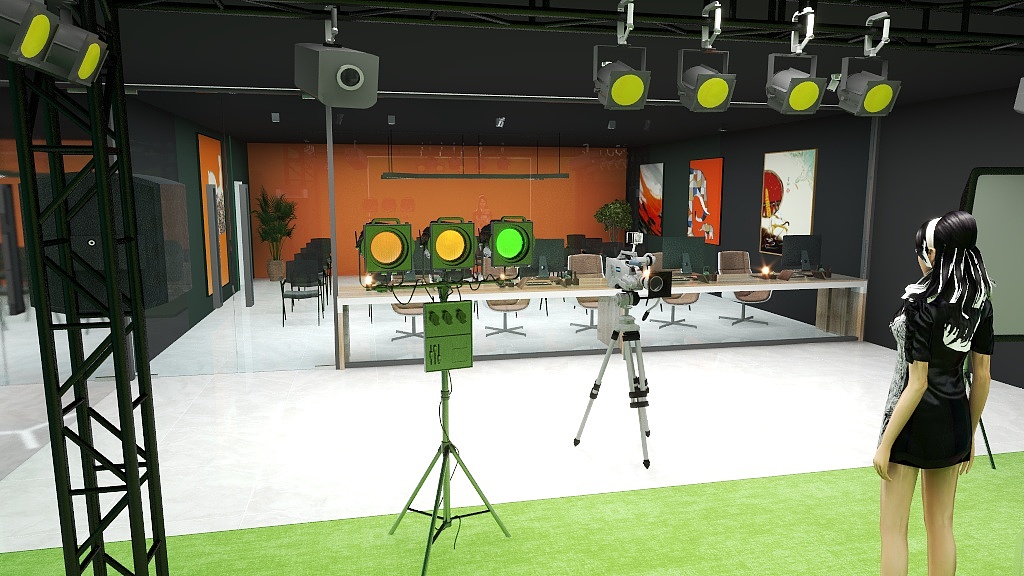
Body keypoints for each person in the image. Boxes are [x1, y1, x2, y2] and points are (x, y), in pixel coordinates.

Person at [874, 210, 995, 576]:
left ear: (933, 254)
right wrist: (968, 435)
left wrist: (885, 443)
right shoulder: (979, 302)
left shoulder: (919, 303)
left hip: (910, 421)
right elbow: (982, 376)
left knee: (893, 529)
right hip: (954, 419)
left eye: (922, 250)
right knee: (941, 525)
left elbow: (917, 383)